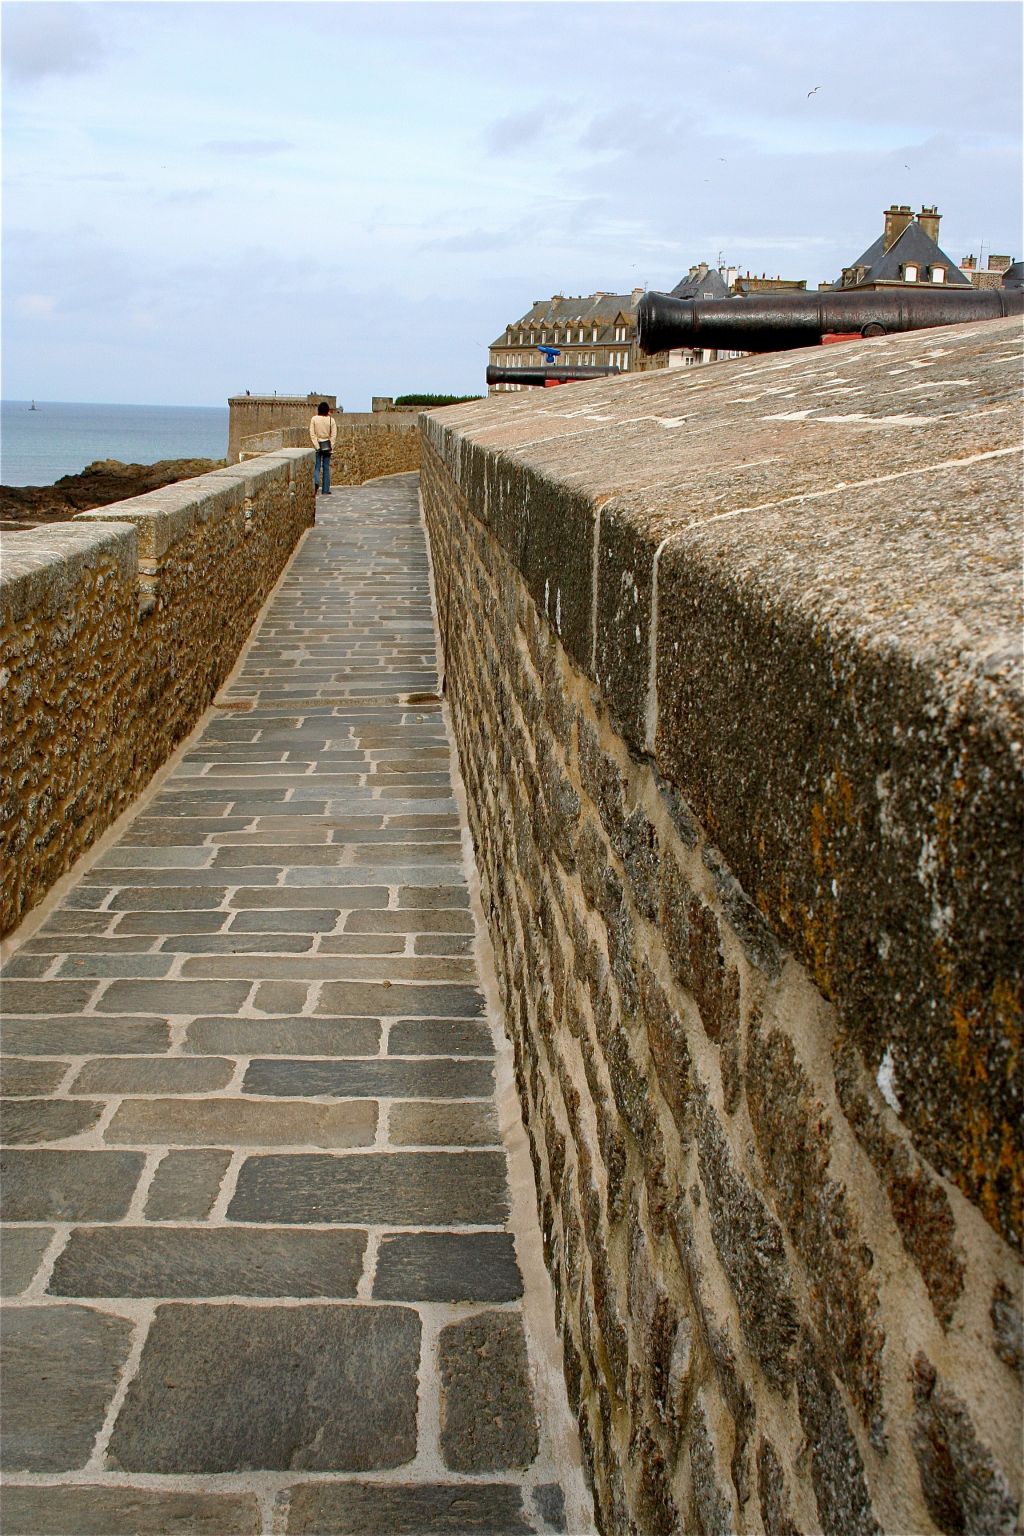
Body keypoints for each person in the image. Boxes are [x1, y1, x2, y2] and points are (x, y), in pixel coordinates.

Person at [309, 401, 337, 495]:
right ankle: (325, 490)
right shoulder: (331, 420)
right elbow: (333, 435)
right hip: (327, 446)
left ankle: (316, 482)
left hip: (318, 445)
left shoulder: (314, 419)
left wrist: (317, 446)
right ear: (327, 410)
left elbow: (312, 434)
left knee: (317, 467)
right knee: (326, 468)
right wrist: (330, 446)